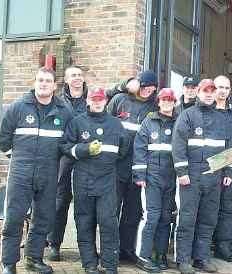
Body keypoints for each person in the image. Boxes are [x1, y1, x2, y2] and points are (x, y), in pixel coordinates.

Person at [0, 67, 73, 274]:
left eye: (48, 81)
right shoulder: (18, 107)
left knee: (43, 218)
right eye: (40, 80)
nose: (43, 84)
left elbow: (67, 142)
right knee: (14, 217)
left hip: (49, 171)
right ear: (34, 82)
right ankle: (9, 263)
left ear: (54, 85)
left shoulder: (64, 112)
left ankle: (33, 259)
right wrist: (19, 158)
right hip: (21, 172)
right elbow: (3, 139)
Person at [61, 88, 128, 274]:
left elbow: (124, 148)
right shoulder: (77, 122)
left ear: (105, 101)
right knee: (84, 222)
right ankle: (89, 264)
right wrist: (84, 150)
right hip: (83, 179)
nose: (97, 102)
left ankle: (109, 264)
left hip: (107, 180)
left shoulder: (116, 124)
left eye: (100, 99)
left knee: (108, 222)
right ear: (88, 101)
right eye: (94, 99)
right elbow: (65, 146)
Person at [172, 79, 232, 274]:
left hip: (214, 177)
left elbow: (229, 148)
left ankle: (201, 258)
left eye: (212, 91)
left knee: (208, 220)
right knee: (187, 219)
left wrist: (229, 171)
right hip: (191, 177)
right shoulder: (187, 116)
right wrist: (182, 173)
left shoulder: (222, 118)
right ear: (198, 92)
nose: (209, 94)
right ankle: (183, 260)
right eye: (205, 91)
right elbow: (178, 145)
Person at [107, 70, 158, 263]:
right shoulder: (119, 100)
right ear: (137, 85)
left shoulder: (154, 106)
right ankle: (109, 250)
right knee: (111, 210)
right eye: (144, 86)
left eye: (151, 88)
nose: (147, 91)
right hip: (116, 166)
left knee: (133, 211)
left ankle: (126, 249)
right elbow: (105, 123)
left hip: (139, 168)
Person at [132, 88, 178, 273]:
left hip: (171, 177)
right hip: (152, 177)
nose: (167, 103)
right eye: (164, 100)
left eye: (170, 100)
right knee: (152, 217)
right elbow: (140, 150)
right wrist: (140, 176)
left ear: (174, 102)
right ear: (158, 102)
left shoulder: (179, 122)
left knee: (166, 217)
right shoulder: (148, 122)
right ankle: (143, 255)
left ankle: (160, 254)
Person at [47, 65, 88, 261]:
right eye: (73, 75)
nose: (77, 78)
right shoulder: (58, 102)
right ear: (66, 79)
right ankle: (54, 244)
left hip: (87, 158)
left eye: (80, 75)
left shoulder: (93, 100)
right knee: (60, 200)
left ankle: (86, 248)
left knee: (85, 203)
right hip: (64, 156)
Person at [212, 75, 232, 263]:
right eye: (219, 87)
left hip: (229, 169)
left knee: (227, 209)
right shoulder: (205, 112)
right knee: (207, 209)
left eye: (226, 88)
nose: (222, 91)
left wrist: (229, 169)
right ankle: (203, 246)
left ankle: (222, 245)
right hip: (209, 169)